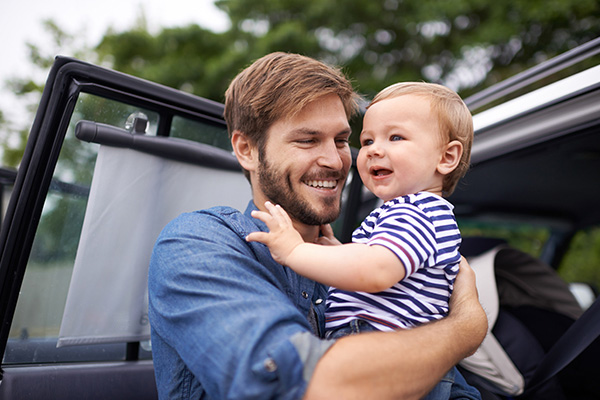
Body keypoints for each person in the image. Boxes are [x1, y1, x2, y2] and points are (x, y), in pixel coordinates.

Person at [148, 52, 487, 400]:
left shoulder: (358, 254)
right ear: (247, 149)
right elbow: (304, 385)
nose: (335, 160)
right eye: (308, 140)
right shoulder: (197, 243)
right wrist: (464, 329)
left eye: (341, 140)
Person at [246, 82, 479, 399]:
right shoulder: (404, 212)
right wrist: (342, 253)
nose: (373, 149)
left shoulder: (419, 212)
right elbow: (384, 268)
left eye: (395, 137)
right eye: (367, 140)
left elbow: (376, 272)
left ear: (447, 157)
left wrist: (294, 250)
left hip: (387, 351)